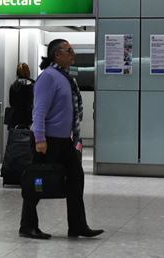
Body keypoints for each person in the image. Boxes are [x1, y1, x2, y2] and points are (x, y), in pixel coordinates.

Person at [19, 39, 103, 240]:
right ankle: (27, 226)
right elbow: (38, 111)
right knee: (37, 182)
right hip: (47, 140)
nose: (73, 54)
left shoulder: (65, 77)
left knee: (76, 179)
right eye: (69, 50)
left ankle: (77, 226)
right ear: (57, 55)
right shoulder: (48, 77)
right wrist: (40, 138)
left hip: (64, 140)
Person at [7, 63, 34, 130]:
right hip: (28, 118)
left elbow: (11, 103)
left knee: (15, 138)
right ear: (28, 72)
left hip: (15, 118)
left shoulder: (13, 86)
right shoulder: (32, 85)